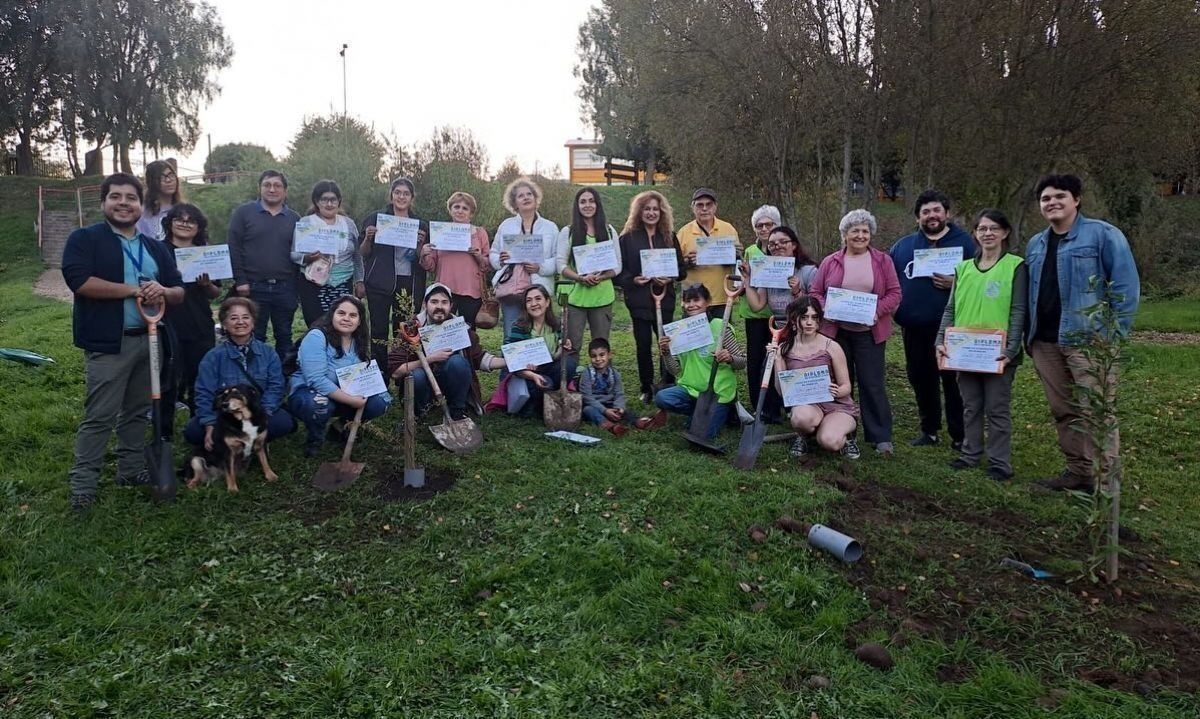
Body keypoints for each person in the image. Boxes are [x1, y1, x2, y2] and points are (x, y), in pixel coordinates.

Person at [61, 173, 185, 512]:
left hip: (150, 340)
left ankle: (129, 470)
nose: (123, 203)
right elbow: (79, 281)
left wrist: (163, 290)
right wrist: (134, 291)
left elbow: (177, 290)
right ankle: (83, 484)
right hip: (109, 344)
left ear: (139, 205)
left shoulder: (154, 246)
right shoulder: (86, 239)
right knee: (100, 415)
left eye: (130, 198)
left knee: (135, 412)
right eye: (115, 196)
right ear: (103, 202)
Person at [1025, 174, 1140, 491]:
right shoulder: (1036, 244)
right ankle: (1079, 472)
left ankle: (1106, 486)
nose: (1052, 202)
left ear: (1076, 199)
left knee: (1097, 414)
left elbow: (1126, 289)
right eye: (1046, 198)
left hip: (1089, 343)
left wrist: (1113, 337)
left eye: (1060, 196)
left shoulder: (1103, 235)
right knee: (1064, 412)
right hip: (1046, 343)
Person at [936, 209, 1028, 481]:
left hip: (998, 353)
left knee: (997, 409)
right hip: (964, 352)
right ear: (975, 233)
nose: (988, 233)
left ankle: (1000, 462)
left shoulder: (1015, 265)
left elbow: (1019, 310)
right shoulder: (963, 269)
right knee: (970, 406)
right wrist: (940, 339)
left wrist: (1011, 349)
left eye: (994, 228)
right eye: (982, 228)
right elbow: (950, 308)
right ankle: (970, 454)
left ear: (1005, 232)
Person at [810, 209, 902, 456]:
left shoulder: (883, 261)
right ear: (844, 235)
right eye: (855, 231)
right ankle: (844, 432)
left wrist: (877, 311)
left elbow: (895, 293)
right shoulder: (831, 261)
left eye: (865, 231)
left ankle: (880, 436)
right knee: (841, 382)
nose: (860, 235)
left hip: (870, 333)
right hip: (837, 332)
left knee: (872, 383)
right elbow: (816, 292)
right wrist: (825, 307)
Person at [889, 189, 974, 450]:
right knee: (921, 378)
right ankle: (930, 430)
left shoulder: (967, 244)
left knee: (953, 382)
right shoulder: (903, 247)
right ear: (918, 218)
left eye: (937, 210)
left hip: (952, 328)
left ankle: (960, 436)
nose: (932, 215)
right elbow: (888, 280)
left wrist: (957, 283)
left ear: (946, 213)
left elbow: (982, 278)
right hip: (915, 327)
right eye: (925, 212)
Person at [183, 297, 297, 450]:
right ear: (224, 323)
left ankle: (256, 442)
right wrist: (210, 424)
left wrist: (261, 415)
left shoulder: (268, 353)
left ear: (253, 321)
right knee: (193, 431)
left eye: (245, 317)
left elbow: (276, 387)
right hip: (226, 416)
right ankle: (232, 444)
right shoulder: (213, 356)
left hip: (257, 412)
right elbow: (203, 392)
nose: (240, 322)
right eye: (233, 318)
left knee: (284, 422)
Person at [287, 296, 392, 456]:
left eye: (352, 315)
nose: (346, 319)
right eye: (341, 313)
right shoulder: (317, 336)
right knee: (319, 405)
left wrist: (380, 392)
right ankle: (316, 436)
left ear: (359, 321)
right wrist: (351, 400)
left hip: (344, 391)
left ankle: (340, 426)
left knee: (381, 402)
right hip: (310, 392)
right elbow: (316, 379)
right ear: (332, 315)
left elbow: (361, 372)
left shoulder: (358, 341)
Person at [639, 283, 746, 440]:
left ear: (708, 302)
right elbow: (675, 370)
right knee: (662, 398)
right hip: (690, 389)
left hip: (717, 393)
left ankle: (724, 411)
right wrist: (666, 353)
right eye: (687, 301)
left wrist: (729, 358)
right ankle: (700, 412)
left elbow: (742, 363)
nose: (691, 305)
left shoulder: (720, 327)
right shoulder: (678, 331)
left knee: (702, 435)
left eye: (696, 300)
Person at [388, 283, 506, 419]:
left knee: (458, 362)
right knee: (417, 375)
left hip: (447, 381)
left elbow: (480, 359)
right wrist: (429, 360)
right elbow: (396, 371)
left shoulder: (461, 329)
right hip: (423, 385)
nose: (439, 306)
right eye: (434, 302)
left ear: (450, 306)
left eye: (444, 302)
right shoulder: (411, 329)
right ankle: (421, 414)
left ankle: (456, 411)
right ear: (425, 305)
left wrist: (510, 361)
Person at [615, 190, 685, 403]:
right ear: (639, 211)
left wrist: (668, 278)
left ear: (661, 211)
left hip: (664, 300)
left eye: (655, 209)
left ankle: (667, 382)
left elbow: (681, 270)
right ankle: (646, 387)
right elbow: (618, 273)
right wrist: (633, 280)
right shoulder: (626, 239)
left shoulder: (669, 236)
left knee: (666, 343)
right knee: (643, 345)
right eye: (647, 209)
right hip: (638, 301)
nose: (651, 213)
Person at [772, 296, 860, 459]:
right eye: (804, 317)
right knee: (800, 419)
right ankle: (803, 435)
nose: (809, 323)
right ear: (793, 320)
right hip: (808, 405)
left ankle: (847, 438)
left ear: (819, 320)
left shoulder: (832, 346)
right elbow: (782, 392)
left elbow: (846, 386)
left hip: (836, 405)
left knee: (829, 441)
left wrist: (837, 391)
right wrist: (777, 359)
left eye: (814, 317)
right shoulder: (784, 349)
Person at [227, 170, 301, 360]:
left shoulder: (295, 219)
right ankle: (255, 378)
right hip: (252, 286)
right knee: (254, 335)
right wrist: (240, 279)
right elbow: (233, 247)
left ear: (285, 191)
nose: (272, 189)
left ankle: (282, 376)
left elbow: (300, 253)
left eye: (277, 185)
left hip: (285, 287)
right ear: (259, 188)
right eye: (267, 185)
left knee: (284, 335)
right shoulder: (244, 213)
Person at [360, 178, 429, 371]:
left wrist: (420, 245)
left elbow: (423, 259)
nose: (401, 196)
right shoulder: (376, 218)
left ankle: (402, 377)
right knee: (379, 331)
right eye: (397, 192)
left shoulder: (420, 225)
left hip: (409, 283)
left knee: (405, 331)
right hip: (380, 282)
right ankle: (380, 375)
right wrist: (368, 237)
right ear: (391, 195)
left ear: (412, 198)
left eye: (406, 193)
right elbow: (363, 253)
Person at [160, 203, 221, 421]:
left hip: (199, 322)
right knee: (168, 375)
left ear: (198, 226)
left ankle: (201, 422)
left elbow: (215, 292)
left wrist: (206, 285)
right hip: (167, 321)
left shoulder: (205, 252)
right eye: (180, 219)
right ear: (170, 222)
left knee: (201, 375)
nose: (185, 224)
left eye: (191, 221)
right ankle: (164, 426)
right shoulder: (158, 250)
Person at [490, 177, 560, 338]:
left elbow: (558, 259)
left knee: (539, 333)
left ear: (536, 199)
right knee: (512, 332)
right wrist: (500, 260)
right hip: (511, 290)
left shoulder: (550, 227)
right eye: (521, 196)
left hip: (539, 287)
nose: (526, 197)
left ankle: (540, 364)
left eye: (529, 194)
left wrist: (539, 267)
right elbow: (493, 254)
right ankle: (512, 363)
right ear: (514, 203)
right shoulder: (506, 225)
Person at [556, 187, 621, 353]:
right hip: (575, 298)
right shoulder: (568, 231)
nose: (587, 205)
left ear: (597, 204)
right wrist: (580, 278)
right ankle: (571, 378)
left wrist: (603, 277)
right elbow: (561, 265)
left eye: (591, 201)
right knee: (572, 346)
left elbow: (617, 265)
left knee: (601, 346)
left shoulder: (609, 231)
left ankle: (601, 378)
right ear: (577, 206)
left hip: (602, 298)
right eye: (583, 201)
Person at [293, 180, 364, 325]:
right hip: (313, 284)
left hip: (343, 283)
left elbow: (357, 256)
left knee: (343, 326)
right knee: (317, 326)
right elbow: (293, 254)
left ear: (339, 202)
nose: (329, 204)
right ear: (316, 201)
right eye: (324, 199)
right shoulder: (306, 223)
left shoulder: (349, 224)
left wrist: (359, 280)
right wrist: (307, 258)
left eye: (333, 200)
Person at [419, 191, 492, 327]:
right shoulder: (440, 232)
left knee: (468, 332)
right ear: (450, 210)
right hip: (444, 291)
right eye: (456, 207)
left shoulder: (480, 233)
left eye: (465, 208)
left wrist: (478, 256)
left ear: (471, 213)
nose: (460, 211)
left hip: (471, 291)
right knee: (440, 329)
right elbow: (431, 266)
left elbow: (488, 265)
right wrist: (423, 254)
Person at [503, 285, 577, 417]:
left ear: (547, 302)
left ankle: (545, 401)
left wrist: (563, 348)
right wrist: (531, 375)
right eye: (529, 300)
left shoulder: (557, 325)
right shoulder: (519, 327)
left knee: (570, 364)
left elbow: (557, 356)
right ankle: (533, 404)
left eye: (538, 299)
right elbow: (512, 360)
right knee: (546, 382)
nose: (534, 304)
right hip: (524, 372)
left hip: (548, 367)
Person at [740, 205, 782, 422]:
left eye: (769, 224)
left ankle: (776, 406)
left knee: (777, 360)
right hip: (755, 314)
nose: (764, 229)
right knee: (756, 360)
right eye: (759, 225)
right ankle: (758, 405)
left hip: (779, 315)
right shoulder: (750, 251)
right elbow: (744, 280)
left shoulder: (784, 250)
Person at [676, 187, 743, 320]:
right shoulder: (683, 233)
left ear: (715, 207)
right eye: (700, 205)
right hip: (693, 301)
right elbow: (675, 268)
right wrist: (687, 262)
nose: (704, 209)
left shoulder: (728, 229)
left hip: (722, 298)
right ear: (693, 207)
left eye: (709, 204)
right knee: (695, 340)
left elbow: (738, 262)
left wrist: (734, 255)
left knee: (722, 338)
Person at [579, 337, 636, 436]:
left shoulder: (614, 373)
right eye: (593, 356)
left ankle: (640, 422)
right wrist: (604, 411)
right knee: (588, 410)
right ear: (589, 357)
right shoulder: (587, 374)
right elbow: (587, 397)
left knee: (626, 411)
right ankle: (608, 425)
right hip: (594, 405)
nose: (598, 359)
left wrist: (619, 407)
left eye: (602, 355)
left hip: (610, 404)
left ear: (609, 355)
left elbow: (619, 393)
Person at [137, 160, 184, 241]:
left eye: (171, 175)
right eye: (161, 177)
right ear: (151, 182)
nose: (168, 180)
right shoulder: (143, 214)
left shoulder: (185, 210)